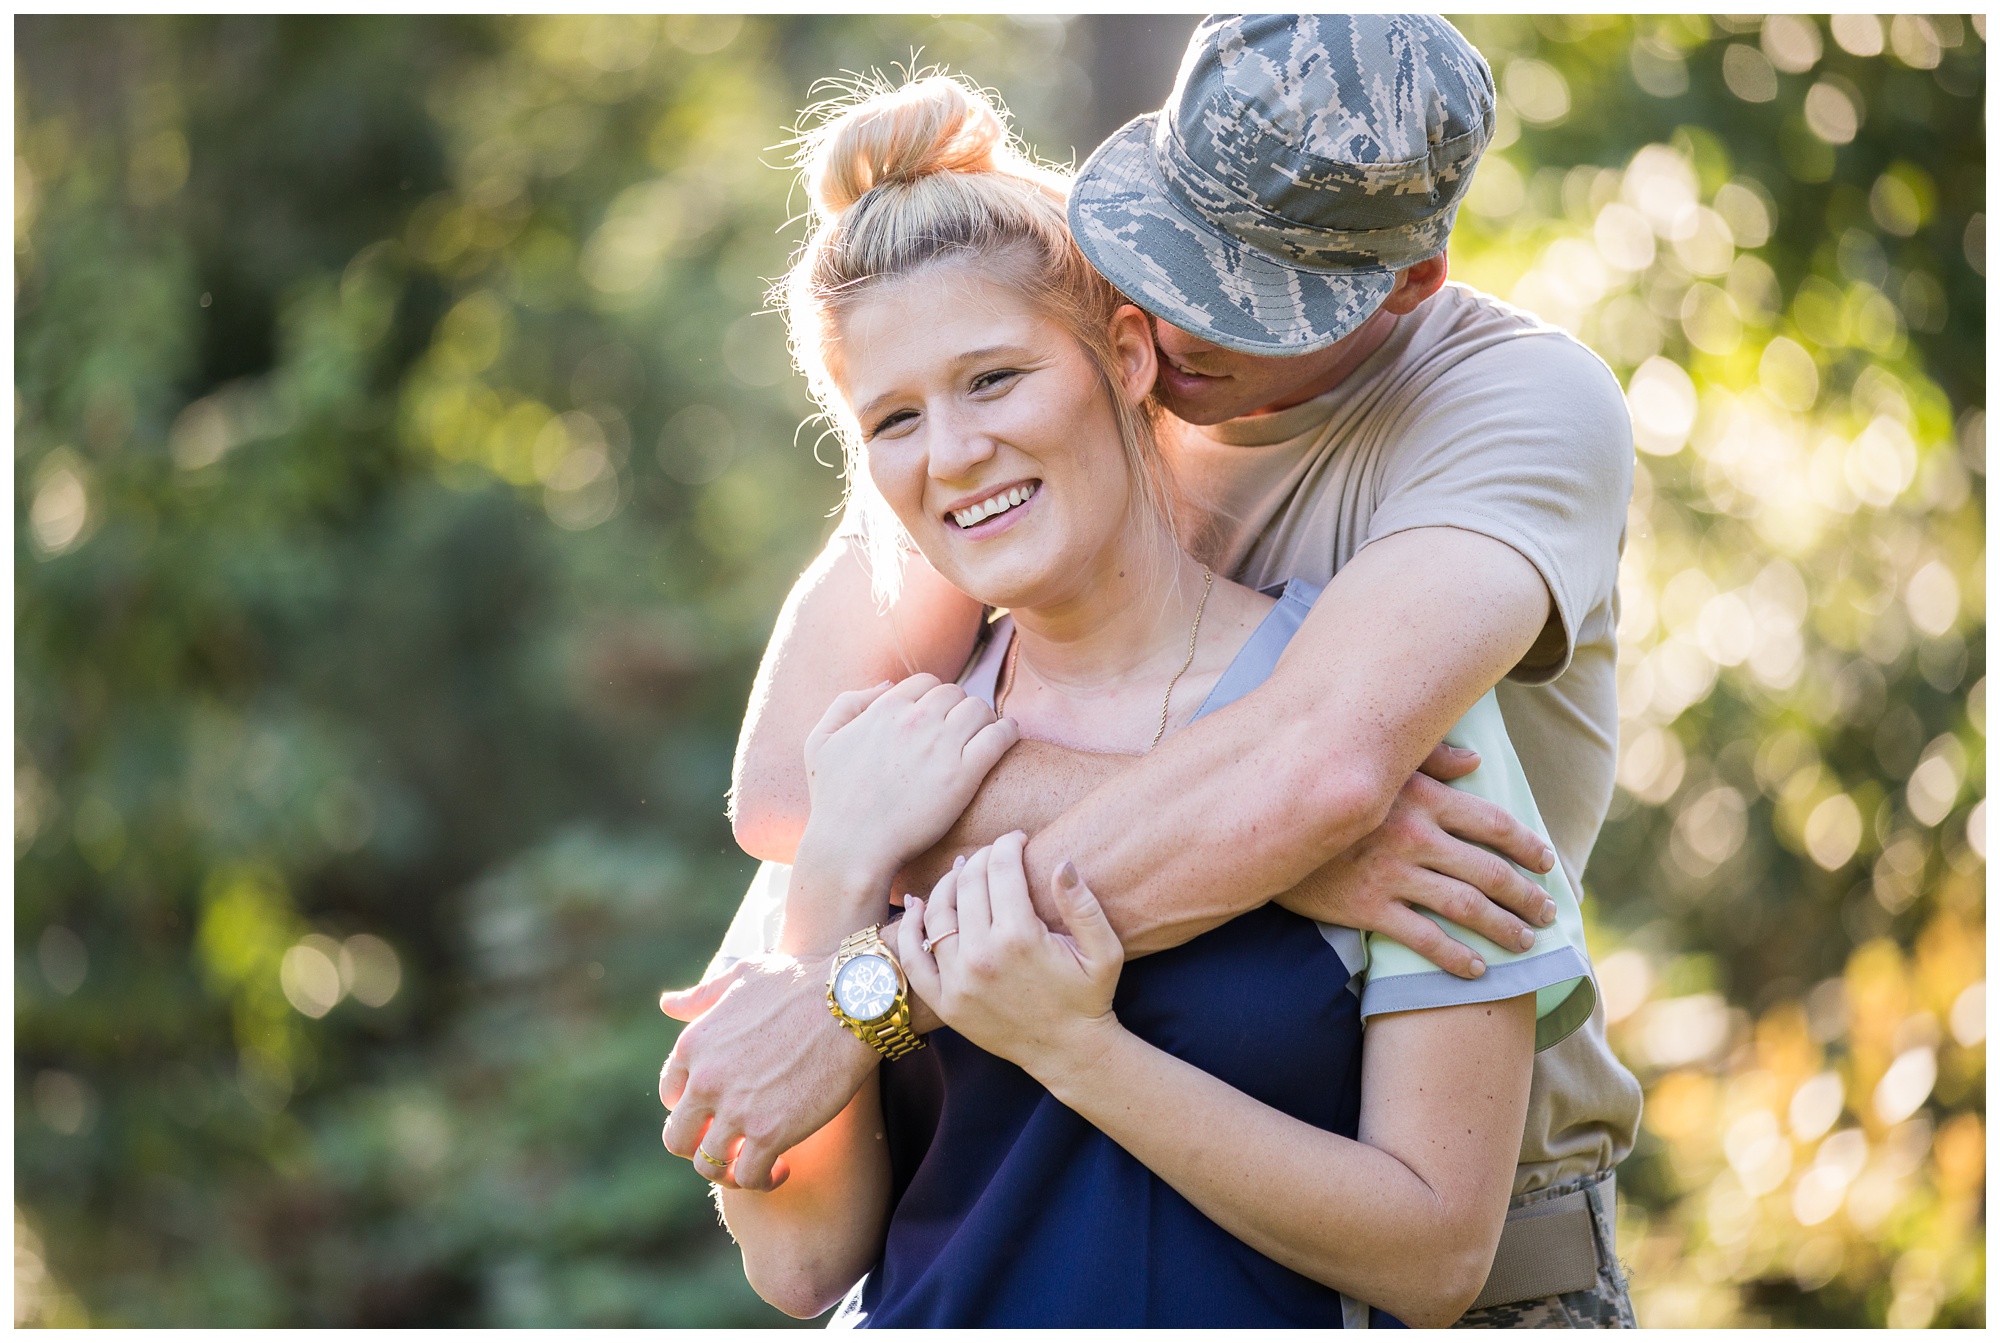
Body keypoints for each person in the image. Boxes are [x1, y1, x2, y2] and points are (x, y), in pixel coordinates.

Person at [664, 14, 1642, 1327]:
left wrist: (884, 995)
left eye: (1248, 290)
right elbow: (795, 786)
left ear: (1406, 281)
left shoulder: (1511, 411)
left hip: (1471, 1253)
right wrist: (849, 905)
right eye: (1172, 253)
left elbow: (1325, 772)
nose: (1181, 318)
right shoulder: (1016, 411)